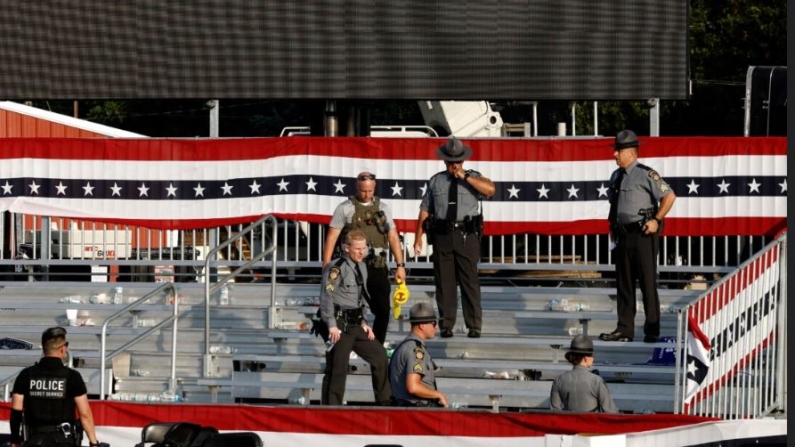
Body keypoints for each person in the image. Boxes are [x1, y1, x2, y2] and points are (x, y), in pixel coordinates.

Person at [413, 137, 495, 338]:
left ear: (463, 161)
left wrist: (464, 176)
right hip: (442, 235)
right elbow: (425, 210)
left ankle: (474, 325)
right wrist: (418, 237)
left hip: (466, 235)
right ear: (444, 161)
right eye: (450, 162)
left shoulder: (473, 177)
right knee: (444, 282)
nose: (454, 165)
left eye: (457, 161)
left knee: (469, 281)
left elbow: (490, 190)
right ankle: (446, 323)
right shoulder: (436, 180)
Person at [600, 130, 676, 343]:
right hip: (622, 235)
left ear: (631, 153)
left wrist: (657, 220)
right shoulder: (616, 176)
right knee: (624, 283)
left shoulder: (646, 174)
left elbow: (669, 196)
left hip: (643, 233)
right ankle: (624, 328)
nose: (615, 154)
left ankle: (652, 330)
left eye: (619, 151)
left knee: (647, 282)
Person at [323, 170, 407, 345]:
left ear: (374, 187)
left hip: (376, 265)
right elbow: (332, 237)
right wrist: (326, 265)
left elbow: (392, 236)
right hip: (350, 267)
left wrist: (400, 265)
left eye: (370, 190)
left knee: (383, 311)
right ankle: (346, 346)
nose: (367, 194)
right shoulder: (345, 208)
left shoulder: (383, 208)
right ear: (357, 187)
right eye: (363, 190)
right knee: (348, 309)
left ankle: (375, 347)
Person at [319, 230, 392, 406]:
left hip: (355, 323)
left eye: (364, 248)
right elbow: (326, 296)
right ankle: (331, 409)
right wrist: (330, 324)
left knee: (380, 355)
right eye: (357, 248)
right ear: (346, 248)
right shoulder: (336, 268)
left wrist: (364, 322)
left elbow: (360, 297)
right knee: (338, 368)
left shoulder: (362, 266)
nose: (362, 252)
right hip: (339, 323)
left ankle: (384, 403)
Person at [9, 326, 101, 447]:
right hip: (64, 441)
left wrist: (15, 441)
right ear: (63, 349)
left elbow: (16, 412)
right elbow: (84, 414)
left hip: (34, 441)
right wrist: (93, 443)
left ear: (44, 348)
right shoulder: (72, 376)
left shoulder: (25, 375)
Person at [388, 302, 449, 408]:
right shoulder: (416, 350)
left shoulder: (403, 346)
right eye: (434, 323)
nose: (436, 328)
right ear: (422, 325)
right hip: (416, 410)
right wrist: (438, 395)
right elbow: (413, 387)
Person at [549, 334, 619, 413]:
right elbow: (610, 412)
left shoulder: (559, 380)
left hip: (568, 424)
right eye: (592, 355)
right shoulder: (596, 381)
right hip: (591, 424)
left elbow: (554, 413)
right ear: (586, 358)